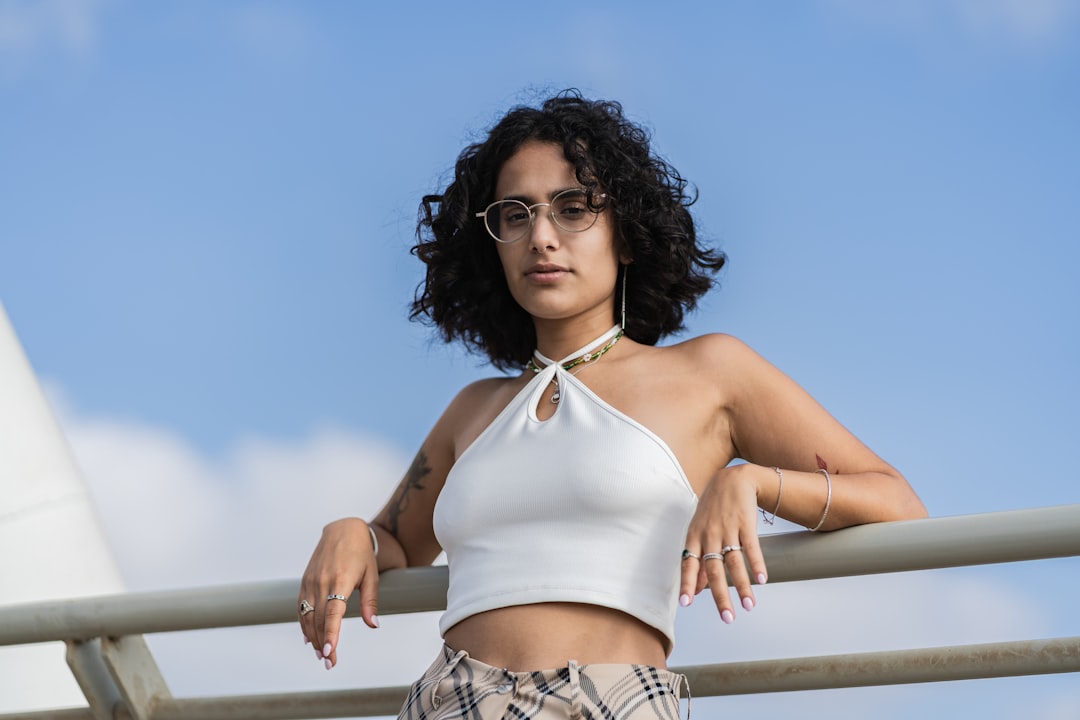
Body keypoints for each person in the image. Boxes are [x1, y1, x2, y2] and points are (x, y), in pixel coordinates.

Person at [298, 91, 927, 719]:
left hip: (609, 701)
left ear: (626, 236)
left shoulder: (710, 373)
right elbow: (395, 542)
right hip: (447, 701)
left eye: (572, 208)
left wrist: (754, 484)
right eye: (514, 215)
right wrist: (351, 531)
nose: (541, 237)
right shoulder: (473, 409)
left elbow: (898, 505)